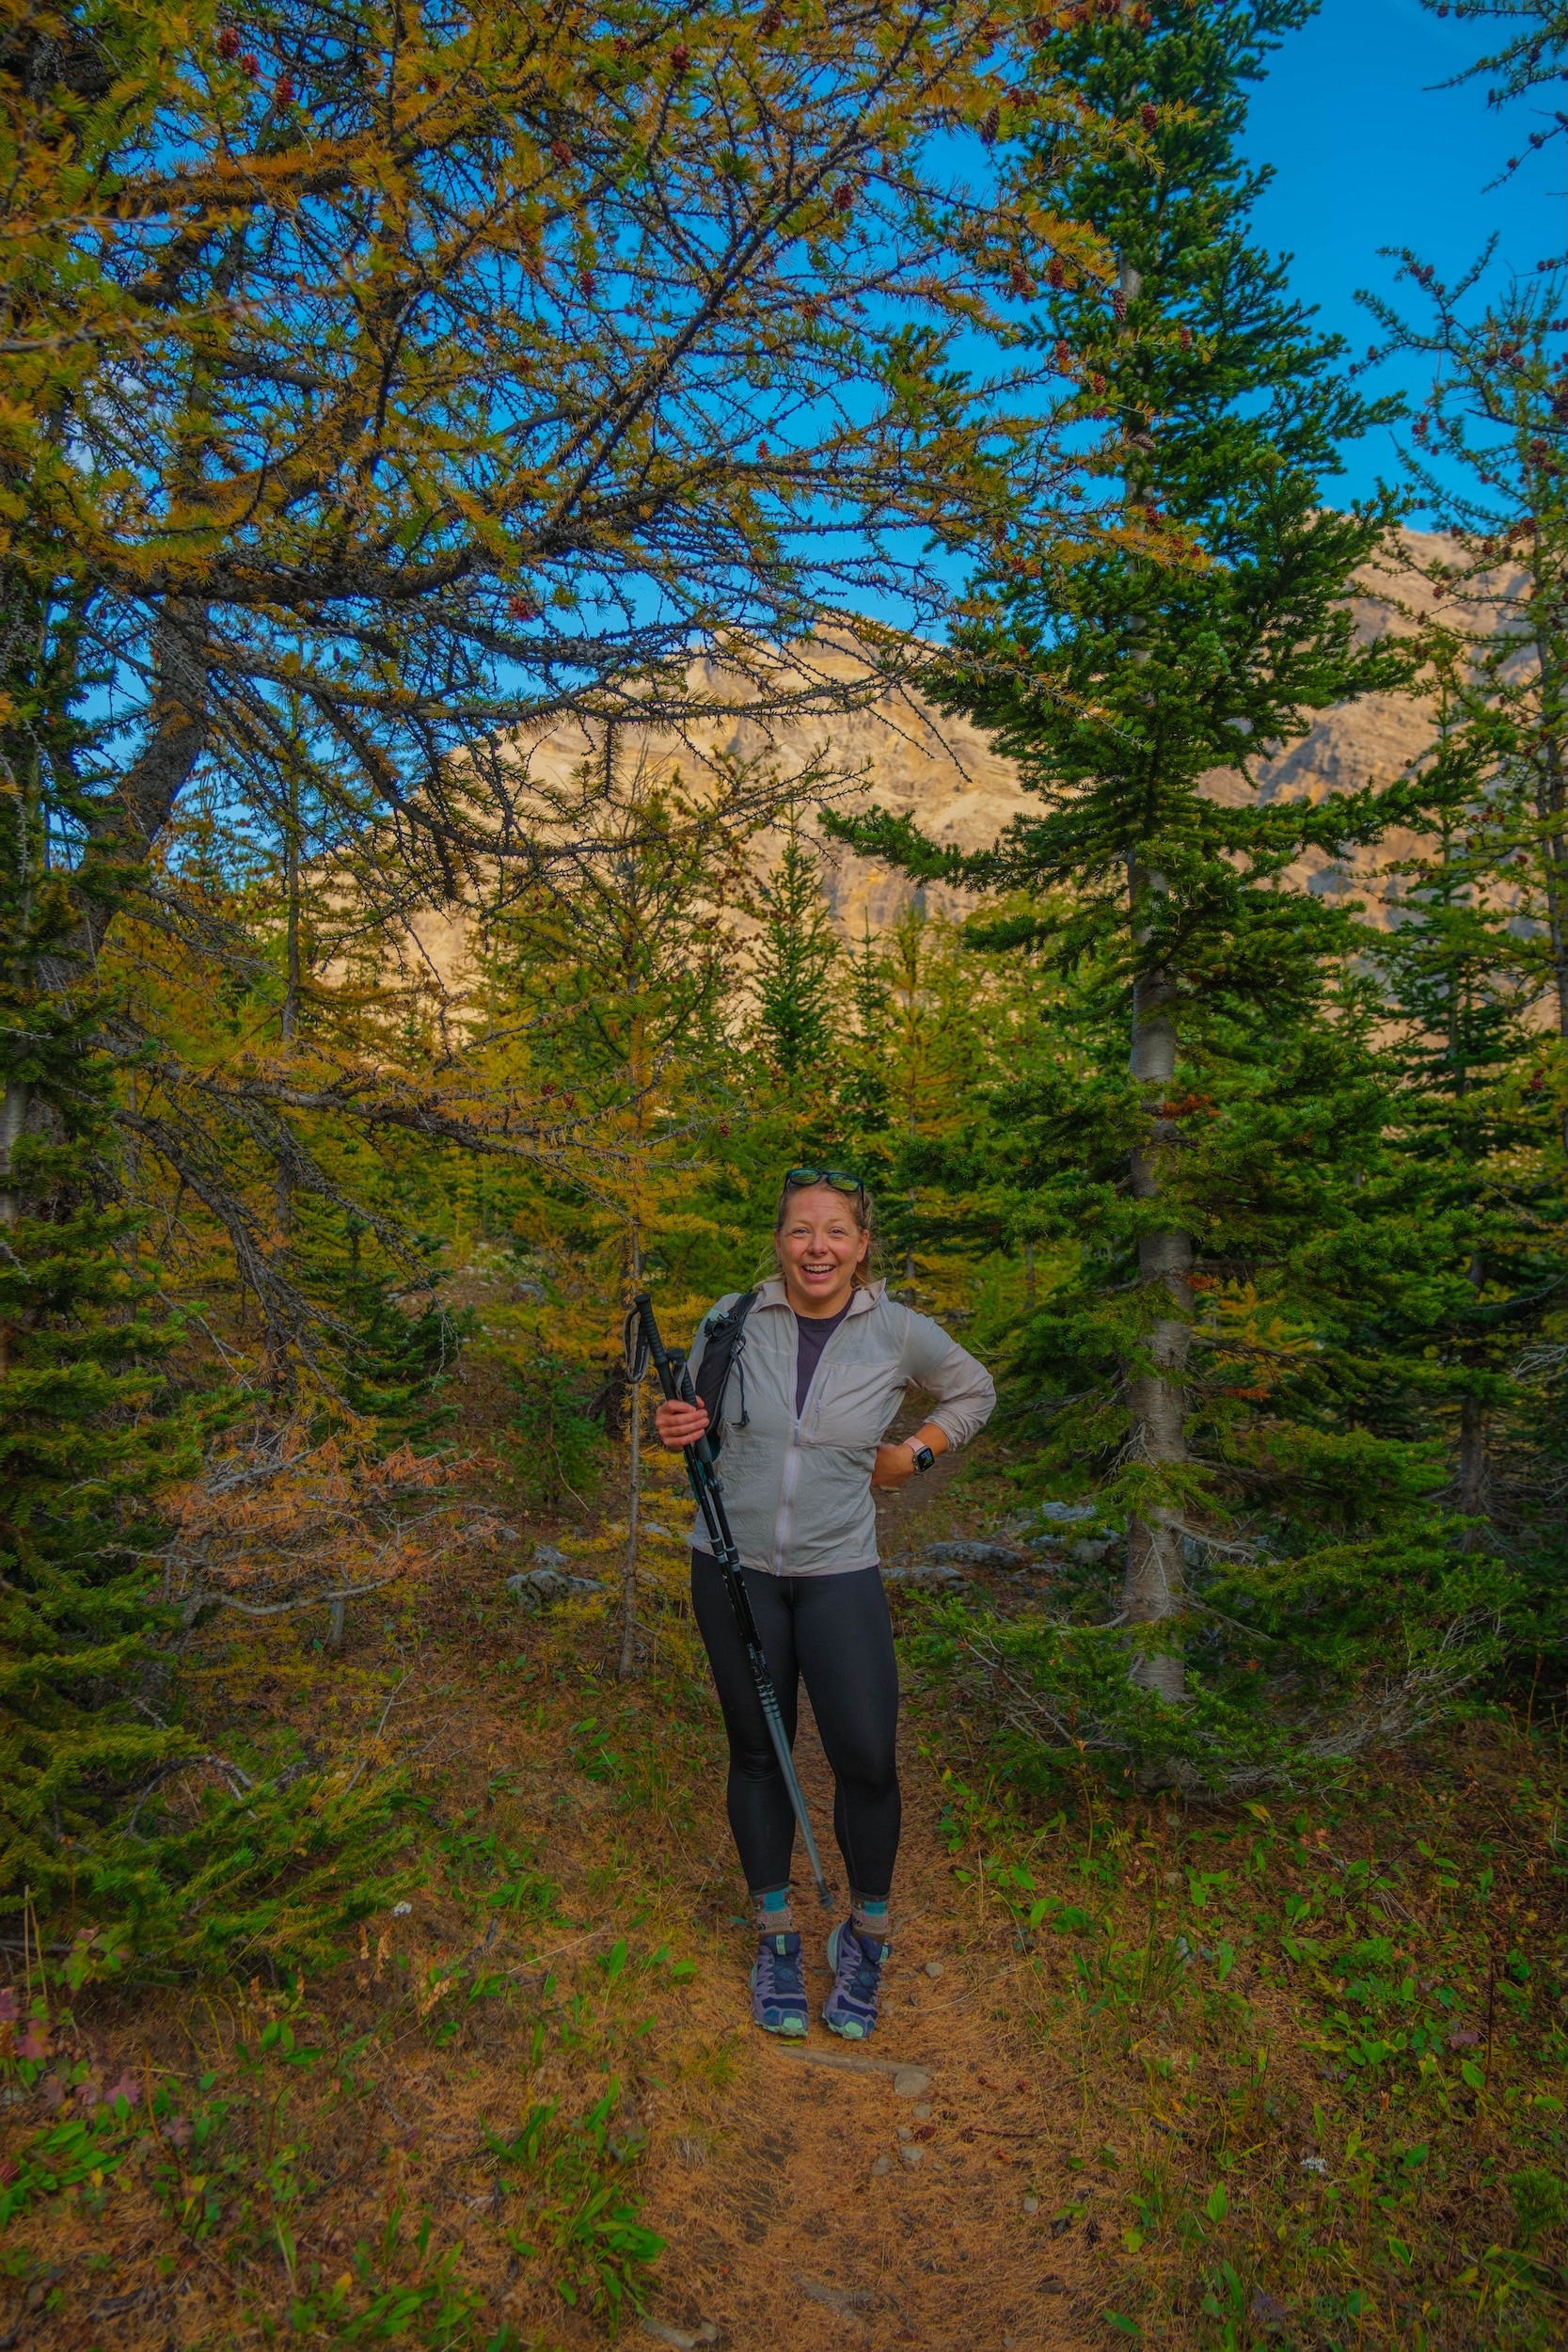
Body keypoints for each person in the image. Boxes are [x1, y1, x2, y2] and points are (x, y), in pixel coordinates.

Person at [655, 1168, 995, 2042]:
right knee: (758, 1754)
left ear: (861, 1245)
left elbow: (974, 1392)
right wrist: (672, 1426)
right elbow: (689, 1417)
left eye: (835, 1232)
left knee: (867, 1760)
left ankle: (866, 1936)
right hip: (731, 1566)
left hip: (839, 1569)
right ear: (779, 1241)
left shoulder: (898, 1331)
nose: (818, 1248)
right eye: (802, 1231)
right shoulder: (729, 1320)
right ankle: (775, 1936)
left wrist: (914, 1453)